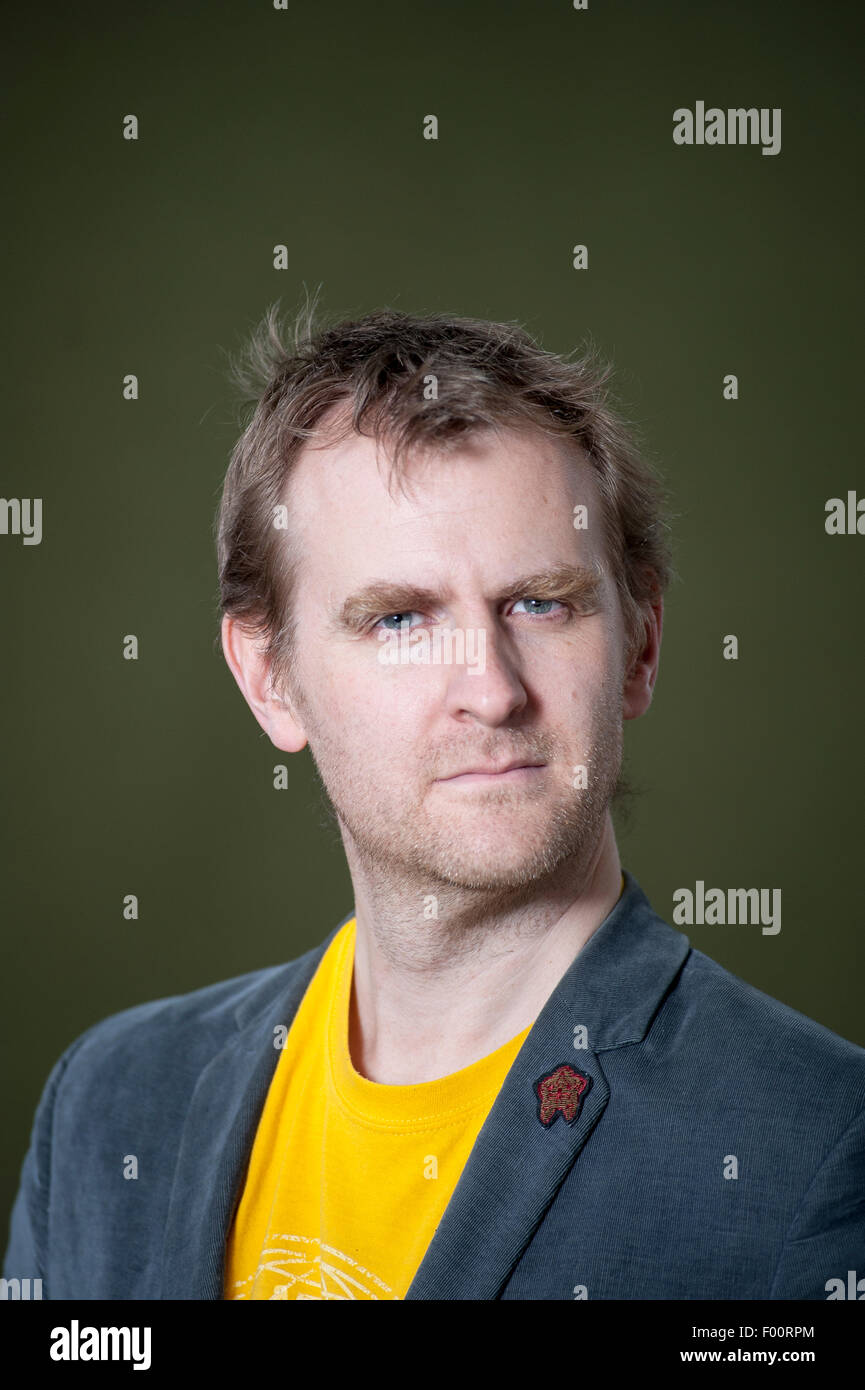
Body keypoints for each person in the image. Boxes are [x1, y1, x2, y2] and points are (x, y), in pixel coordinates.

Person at [4, 305, 864, 1301]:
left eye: (540, 603)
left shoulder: (816, 1149)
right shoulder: (108, 1108)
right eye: (399, 618)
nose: (490, 688)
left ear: (640, 644)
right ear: (267, 679)